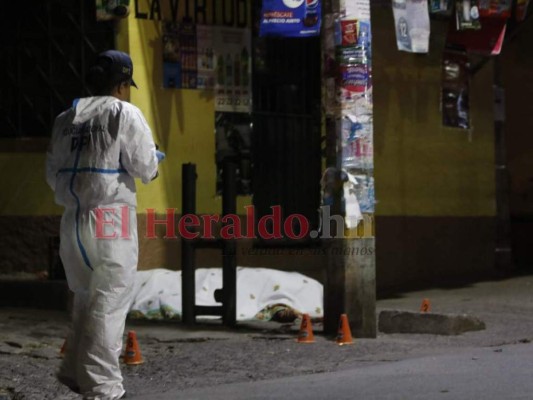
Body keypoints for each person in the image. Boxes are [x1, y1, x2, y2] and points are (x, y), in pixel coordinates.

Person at [46, 50, 165, 400]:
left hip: (73, 224)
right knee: (110, 301)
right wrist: (153, 159)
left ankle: (74, 371)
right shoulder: (124, 113)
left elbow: (52, 174)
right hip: (110, 217)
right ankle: (104, 388)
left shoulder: (64, 119)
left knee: (84, 298)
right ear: (122, 84)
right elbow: (145, 167)